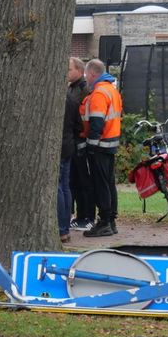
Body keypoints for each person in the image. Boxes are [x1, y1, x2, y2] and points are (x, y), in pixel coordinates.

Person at [80, 58, 123, 237]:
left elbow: (97, 122)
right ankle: (110, 220)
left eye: (86, 75)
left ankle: (105, 220)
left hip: (100, 145)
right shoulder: (111, 90)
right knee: (109, 183)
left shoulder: (99, 93)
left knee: (101, 184)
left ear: (92, 73)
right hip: (110, 143)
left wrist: (90, 145)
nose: (86, 79)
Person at [59, 59, 85, 244]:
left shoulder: (57, 98)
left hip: (59, 147)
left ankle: (61, 228)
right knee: (66, 187)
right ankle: (65, 228)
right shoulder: (71, 99)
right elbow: (78, 125)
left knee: (58, 187)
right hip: (68, 146)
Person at [67, 57, 94, 231]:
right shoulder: (72, 88)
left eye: (69, 69)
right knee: (74, 181)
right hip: (74, 140)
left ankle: (88, 216)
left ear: (79, 70)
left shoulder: (84, 89)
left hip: (81, 140)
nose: (67, 72)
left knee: (84, 181)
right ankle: (79, 216)